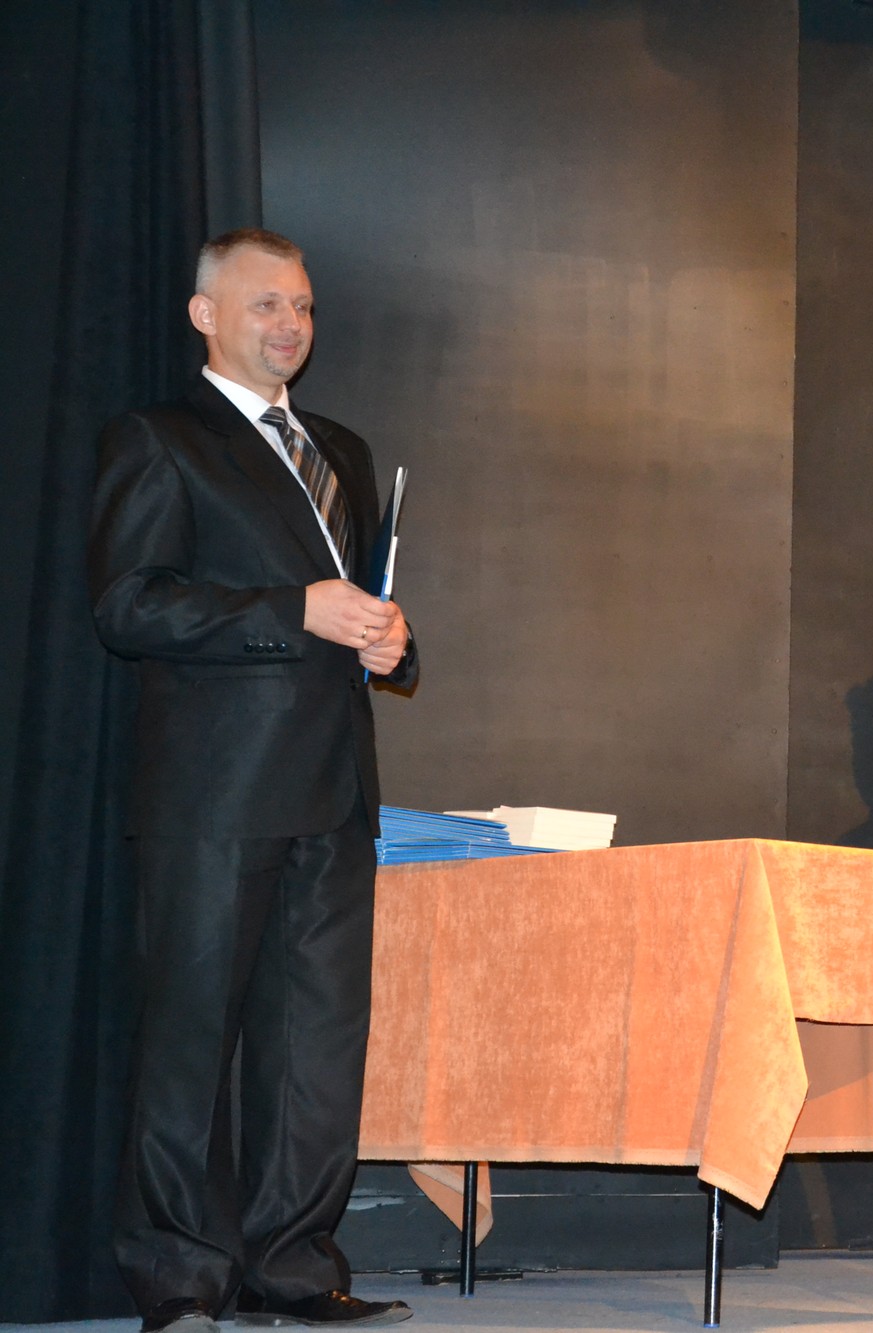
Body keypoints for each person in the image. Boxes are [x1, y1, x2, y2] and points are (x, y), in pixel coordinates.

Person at [90, 229, 418, 1333]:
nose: (291, 325)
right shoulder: (159, 438)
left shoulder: (343, 450)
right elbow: (129, 604)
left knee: (315, 1049)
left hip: (334, 790)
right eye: (266, 304)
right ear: (205, 315)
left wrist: (391, 642)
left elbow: (354, 605)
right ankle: (179, 1278)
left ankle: (293, 1267)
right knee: (190, 1045)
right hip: (213, 796)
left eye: (304, 306)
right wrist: (293, 611)